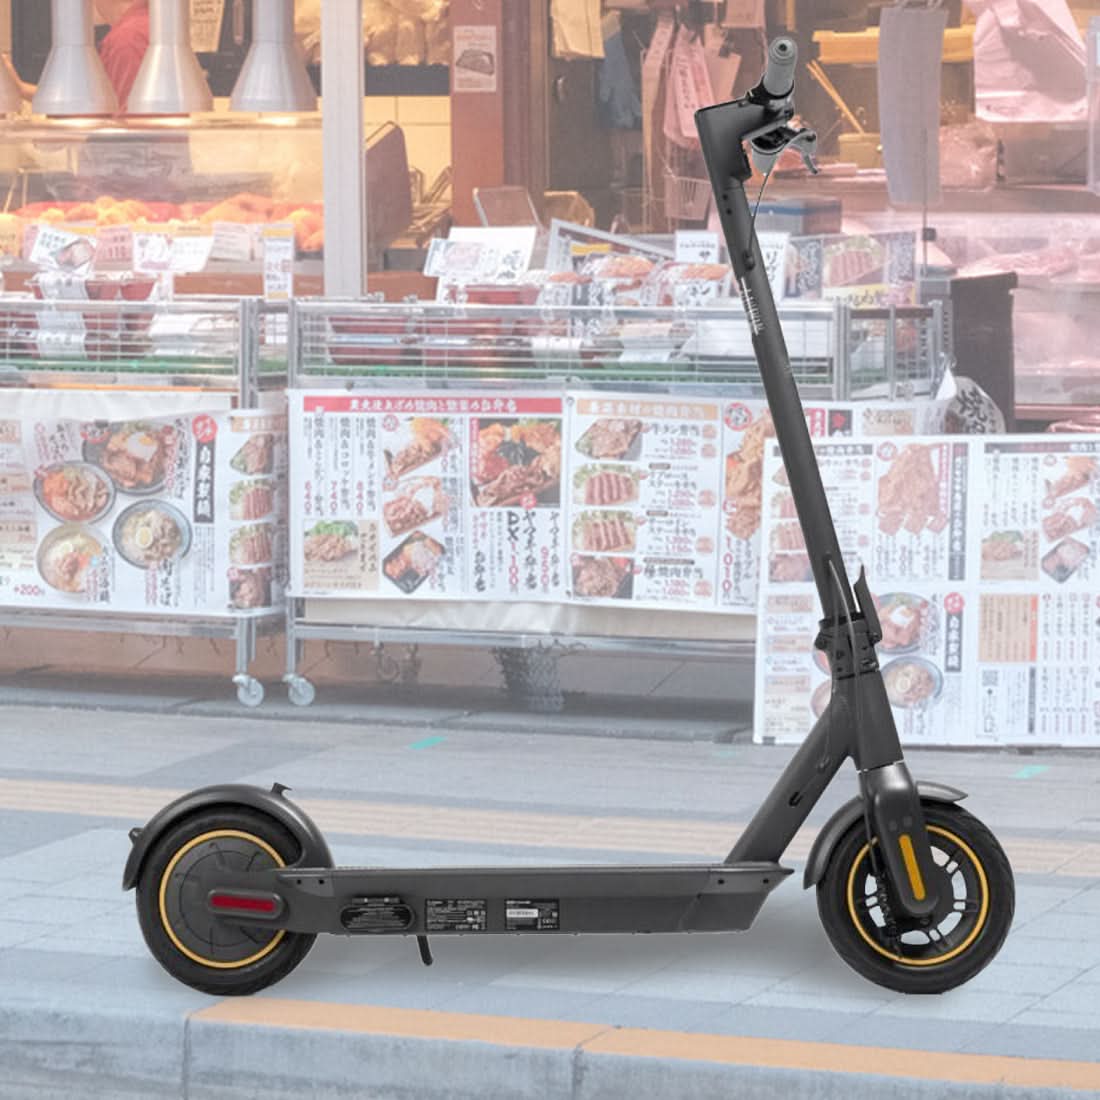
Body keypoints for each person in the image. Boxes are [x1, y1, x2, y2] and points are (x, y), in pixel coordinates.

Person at [1, 0, 150, 113]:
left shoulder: (127, 39)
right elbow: (89, 104)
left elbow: (127, 134)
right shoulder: (139, 28)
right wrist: (21, 89)